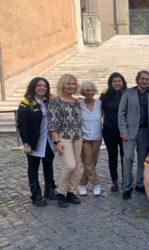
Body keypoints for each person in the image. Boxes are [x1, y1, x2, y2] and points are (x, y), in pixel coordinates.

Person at [17, 77, 57, 207]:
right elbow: (22, 125)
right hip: (34, 142)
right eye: (39, 86)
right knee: (33, 169)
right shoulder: (25, 103)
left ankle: (50, 190)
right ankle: (36, 195)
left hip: (48, 141)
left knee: (48, 166)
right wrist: (26, 144)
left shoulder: (49, 102)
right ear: (33, 87)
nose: (42, 88)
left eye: (45, 86)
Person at [118, 70, 149, 200]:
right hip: (129, 131)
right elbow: (121, 113)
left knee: (142, 160)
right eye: (142, 78)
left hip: (145, 131)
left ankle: (140, 184)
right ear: (137, 79)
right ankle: (127, 186)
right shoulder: (128, 93)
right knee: (128, 158)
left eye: (147, 79)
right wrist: (123, 131)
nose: (144, 81)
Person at [48, 73, 82, 208]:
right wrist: (57, 142)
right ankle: (61, 193)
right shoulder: (56, 100)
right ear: (63, 84)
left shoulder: (77, 101)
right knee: (69, 165)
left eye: (73, 84)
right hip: (64, 137)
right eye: (69, 83)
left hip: (78, 137)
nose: (71, 86)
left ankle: (71, 192)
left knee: (76, 166)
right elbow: (52, 123)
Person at [100, 72, 127, 192]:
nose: (117, 83)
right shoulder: (104, 95)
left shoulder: (127, 95)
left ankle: (125, 180)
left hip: (123, 131)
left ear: (123, 83)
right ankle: (114, 181)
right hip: (109, 130)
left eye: (119, 81)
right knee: (112, 156)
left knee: (125, 156)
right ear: (111, 83)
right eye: (115, 81)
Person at [78, 81, 102, 196]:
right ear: (83, 92)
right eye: (87, 90)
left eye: (92, 90)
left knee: (92, 163)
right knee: (88, 162)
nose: (90, 92)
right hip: (84, 138)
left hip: (97, 137)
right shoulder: (79, 104)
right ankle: (96, 184)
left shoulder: (99, 103)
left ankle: (82, 184)